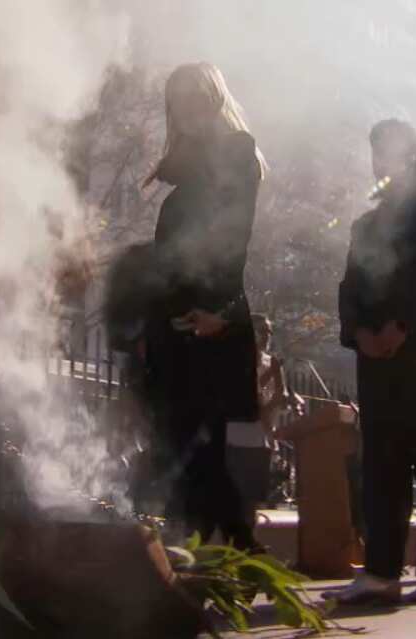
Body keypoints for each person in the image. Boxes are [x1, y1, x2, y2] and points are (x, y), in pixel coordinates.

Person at [329, 119, 416, 603]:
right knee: (383, 462)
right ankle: (381, 571)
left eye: (387, 149)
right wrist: (359, 333)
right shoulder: (365, 224)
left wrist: (401, 325)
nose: (379, 160)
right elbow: (351, 287)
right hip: (379, 356)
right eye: (374, 152)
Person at [141, 62, 266, 550]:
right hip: (174, 323)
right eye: (175, 99)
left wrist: (223, 311)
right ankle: (219, 554)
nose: (184, 108)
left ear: (214, 97)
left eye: (194, 96)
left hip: (210, 319)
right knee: (186, 451)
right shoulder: (185, 174)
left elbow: (234, 236)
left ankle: (220, 553)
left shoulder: (236, 152)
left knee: (202, 452)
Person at [225, 315, 293, 533]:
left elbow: (280, 394)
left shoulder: (272, 362)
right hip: (233, 437)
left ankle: (247, 548)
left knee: (252, 501)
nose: (266, 337)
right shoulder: (233, 360)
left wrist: (271, 404)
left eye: (269, 332)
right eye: (261, 331)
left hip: (260, 438)